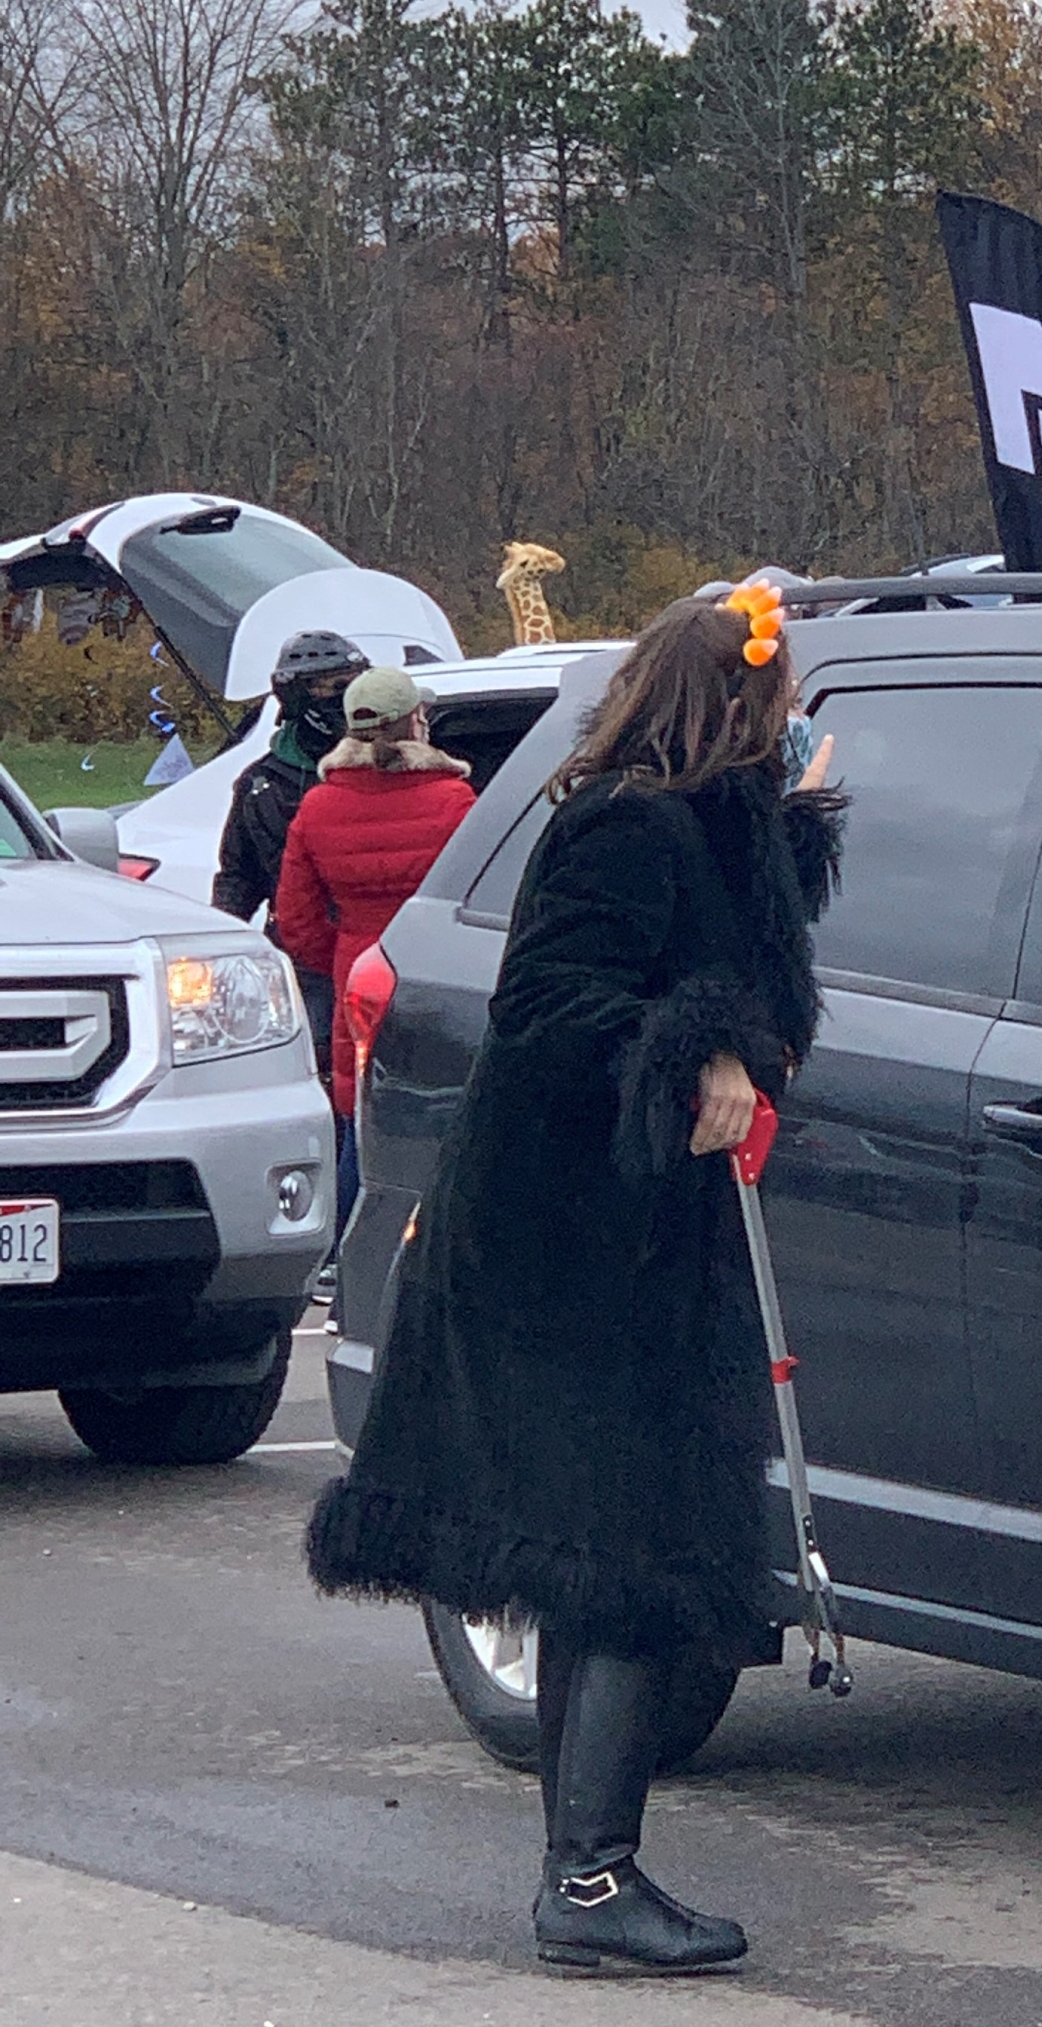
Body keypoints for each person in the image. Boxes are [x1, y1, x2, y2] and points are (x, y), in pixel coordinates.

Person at [306, 581, 846, 1977]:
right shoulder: (621, 823)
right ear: (733, 704)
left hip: (624, 1244)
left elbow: (733, 959)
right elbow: (553, 1006)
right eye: (778, 713)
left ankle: (586, 1875)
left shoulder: (689, 824)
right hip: (567, 1252)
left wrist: (790, 833)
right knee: (627, 1550)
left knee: (614, 1551)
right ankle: (591, 1881)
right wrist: (701, 1046)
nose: (790, 730)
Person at [272, 668, 477, 1262]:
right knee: (434, 1110)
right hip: (435, 970)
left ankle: (344, 1254)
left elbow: (296, 921)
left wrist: (344, 953)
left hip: (356, 972)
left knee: (364, 1116)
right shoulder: (454, 800)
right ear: (416, 721)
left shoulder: (319, 806)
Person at [212, 628, 373, 1031]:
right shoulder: (260, 784)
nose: (346, 697)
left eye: (354, 684)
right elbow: (238, 878)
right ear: (300, 695)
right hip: (302, 956)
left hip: (373, 946)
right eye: (333, 686)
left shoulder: (388, 765)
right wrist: (219, 958)